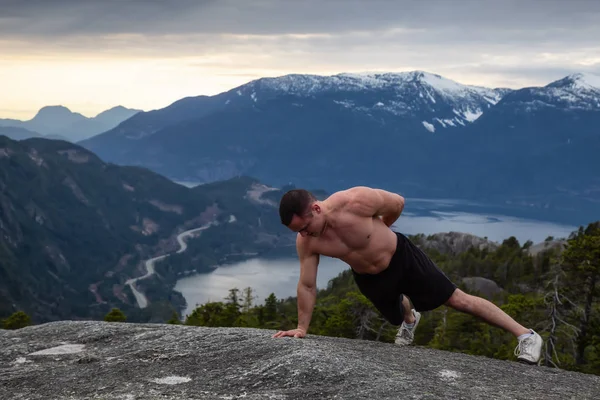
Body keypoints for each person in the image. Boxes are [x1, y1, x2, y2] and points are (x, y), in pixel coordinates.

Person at [272, 186, 543, 365]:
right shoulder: (307, 241)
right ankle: (410, 319)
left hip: (402, 258)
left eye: (305, 227)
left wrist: (381, 230)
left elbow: (397, 202)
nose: (304, 234)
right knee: (396, 316)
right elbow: (307, 285)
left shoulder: (355, 202)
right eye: (299, 231)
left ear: (316, 208)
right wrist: (302, 328)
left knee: (457, 300)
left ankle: (526, 335)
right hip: (369, 278)